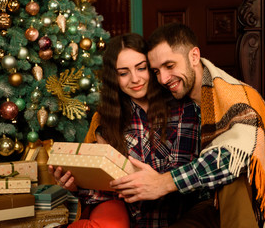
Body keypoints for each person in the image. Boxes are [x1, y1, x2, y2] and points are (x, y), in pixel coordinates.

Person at [110, 23, 265, 228]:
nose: (163, 79)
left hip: (253, 203)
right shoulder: (176, 100)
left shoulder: (235, 96)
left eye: (170, 66)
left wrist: (163, 183)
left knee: (233, 175)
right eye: (156, 71)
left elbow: (234, 157)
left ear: (194, 56)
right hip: (200, 206)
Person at [49, 33, 209, 227]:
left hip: (179, 216)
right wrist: (75, 186)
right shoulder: (105, 120)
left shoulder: (183, 107)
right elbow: (103, 188)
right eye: (123, 73)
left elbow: (181, 174)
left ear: (152, 67)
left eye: (141, 68)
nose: (135, 79)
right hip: (128, 219)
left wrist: (148, 182)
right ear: (113, 78)